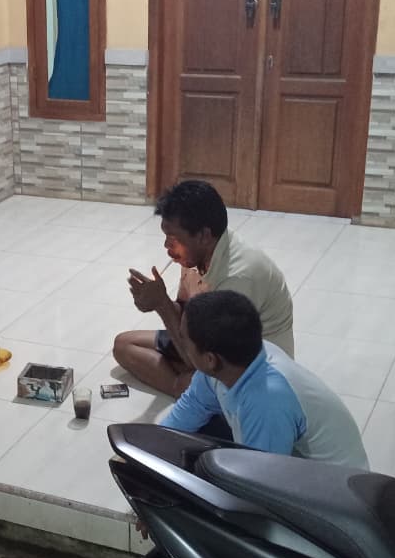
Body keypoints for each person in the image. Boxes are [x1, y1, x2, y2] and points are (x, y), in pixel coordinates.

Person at [113, 180, 295, 398]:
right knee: (124, 344)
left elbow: (204, 360)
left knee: (194, 375)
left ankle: (183, 388)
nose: (167, 247)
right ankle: (182, 385)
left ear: (204, 236)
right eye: (166, 237)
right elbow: (184, 313)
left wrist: (162, 304)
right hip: (208, 345)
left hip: (250, 367)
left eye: (174, 239)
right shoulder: (196, 254)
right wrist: (156, 300)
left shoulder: (236, 277)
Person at [159, 290, 367, 468]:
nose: (181, 344)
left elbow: (257, 481)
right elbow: (192, 406)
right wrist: (150, 448)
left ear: (210, 359)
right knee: (190, 439)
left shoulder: (267, 401)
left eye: (184, 340)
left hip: (328, 491)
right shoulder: (236, 359)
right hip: (283, 459)